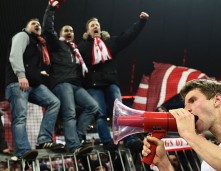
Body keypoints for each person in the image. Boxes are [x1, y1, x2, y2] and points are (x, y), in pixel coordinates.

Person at [78, 12, 149, 152]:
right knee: (100, 114)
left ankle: (130, 140)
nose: (95, 26)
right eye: (92, 25)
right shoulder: (82, 47)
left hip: (111, 83)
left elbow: (128, 36)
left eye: (97, 25)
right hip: (93, 85)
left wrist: (141, 22)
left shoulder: (110, 43)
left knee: (121, 112)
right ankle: (107, 142)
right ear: (88, 31)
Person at [42, 0, 98, 157]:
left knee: (93, 107)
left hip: (76, 84)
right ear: (60, 34)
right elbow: (47, 28)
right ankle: (73, 146)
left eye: (71, 31)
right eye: (66, 30)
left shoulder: (75, 50)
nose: (69, 32)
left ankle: (77, 137)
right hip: (62, 82)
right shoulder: (57, 45)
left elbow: (91, 46)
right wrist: (51, 8)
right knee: (70, 113)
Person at [5, 18, 64, 160]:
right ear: (26, 27)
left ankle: (43, 139)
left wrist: (38, 74)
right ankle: (23, 151)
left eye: (38, 24)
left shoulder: (38, 44)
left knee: (54, 102)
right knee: (20, 117)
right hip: (18, 83)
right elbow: (14, 56)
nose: (37, 25)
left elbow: (29, 63)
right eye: (33, 23)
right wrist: (21, 75)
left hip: (32, 84)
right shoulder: (22, 36)